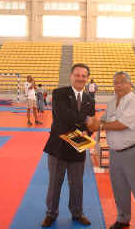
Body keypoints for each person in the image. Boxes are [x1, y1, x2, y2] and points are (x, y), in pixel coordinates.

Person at [86, 71, 135, 229]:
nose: (117, 86)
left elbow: (122, 124)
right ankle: (123, 218)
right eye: (115, 83)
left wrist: (100, 125)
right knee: (119, 188)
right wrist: (92, 122)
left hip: (134, 151)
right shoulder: (113, 101)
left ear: (129, 84)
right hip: (115, 152)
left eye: (121, 82)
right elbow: (104, 119)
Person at [41, 63, 95, 227]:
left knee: (77, 183)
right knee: (55, 182)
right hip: (58, 147)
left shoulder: (89, 99)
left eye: (83, 75)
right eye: (77, 75)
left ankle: (77, 213)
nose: (80, 78)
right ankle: (51, 213)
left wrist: (88, 132)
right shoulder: (59, 93)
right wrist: (85, 123)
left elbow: (91, 123)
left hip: (78, 147)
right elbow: (64, 117)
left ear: (87, 78)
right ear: (71, 76)